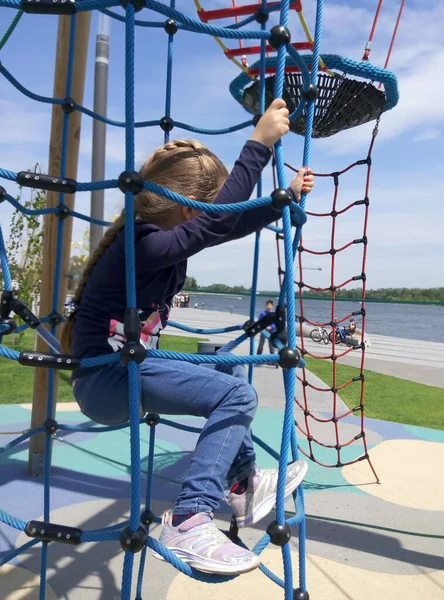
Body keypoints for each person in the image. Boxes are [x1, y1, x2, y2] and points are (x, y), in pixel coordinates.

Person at [61, 99, 314, 575]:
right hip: (105, 381)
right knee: (237, 396)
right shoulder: (141, 243)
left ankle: (240, 487)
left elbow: (226, 223)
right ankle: (189, 517)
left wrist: (282, 198)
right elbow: (217, 221)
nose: (211, 217)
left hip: (129, 372)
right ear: (184, 206)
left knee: (227, 366)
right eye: (205, 206)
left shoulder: (166, 245)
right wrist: (257, 146)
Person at [256, 299, 279, 368]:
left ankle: (273, 361)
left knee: (271, 346)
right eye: (267, 305)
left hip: (272, 332)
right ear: (266, 306)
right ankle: (258, 359)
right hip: (264, 331)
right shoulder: (263, 313)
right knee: (261, 345)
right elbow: (259, 322)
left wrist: (271, 327)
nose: (269, 306)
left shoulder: (274, 314)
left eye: (270, 305)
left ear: (272, 306)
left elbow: (276, 323)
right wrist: (264, 326)